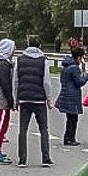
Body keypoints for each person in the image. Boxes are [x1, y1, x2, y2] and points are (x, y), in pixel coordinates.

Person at [13, 36, 55, 167]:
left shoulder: (19, 60)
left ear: (27, 44)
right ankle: (46, 158)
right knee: (43, 129)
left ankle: (22, 159)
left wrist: (15, 99)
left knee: (23, 130)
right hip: (39, 100)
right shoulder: (43, 61)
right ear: (40, 46)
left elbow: (15, 81)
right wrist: (49, 99)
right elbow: (46, 82)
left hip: (24, 99)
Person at [58, 46, 88, 146]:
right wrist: (86, 75)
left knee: (70, 118)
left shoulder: (66, 67)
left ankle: (68, 137)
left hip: (65, 93)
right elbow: (79, 82)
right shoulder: (74, 68)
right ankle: (70, 138)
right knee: (73, 118)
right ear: (79, 57)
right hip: (72, 95)